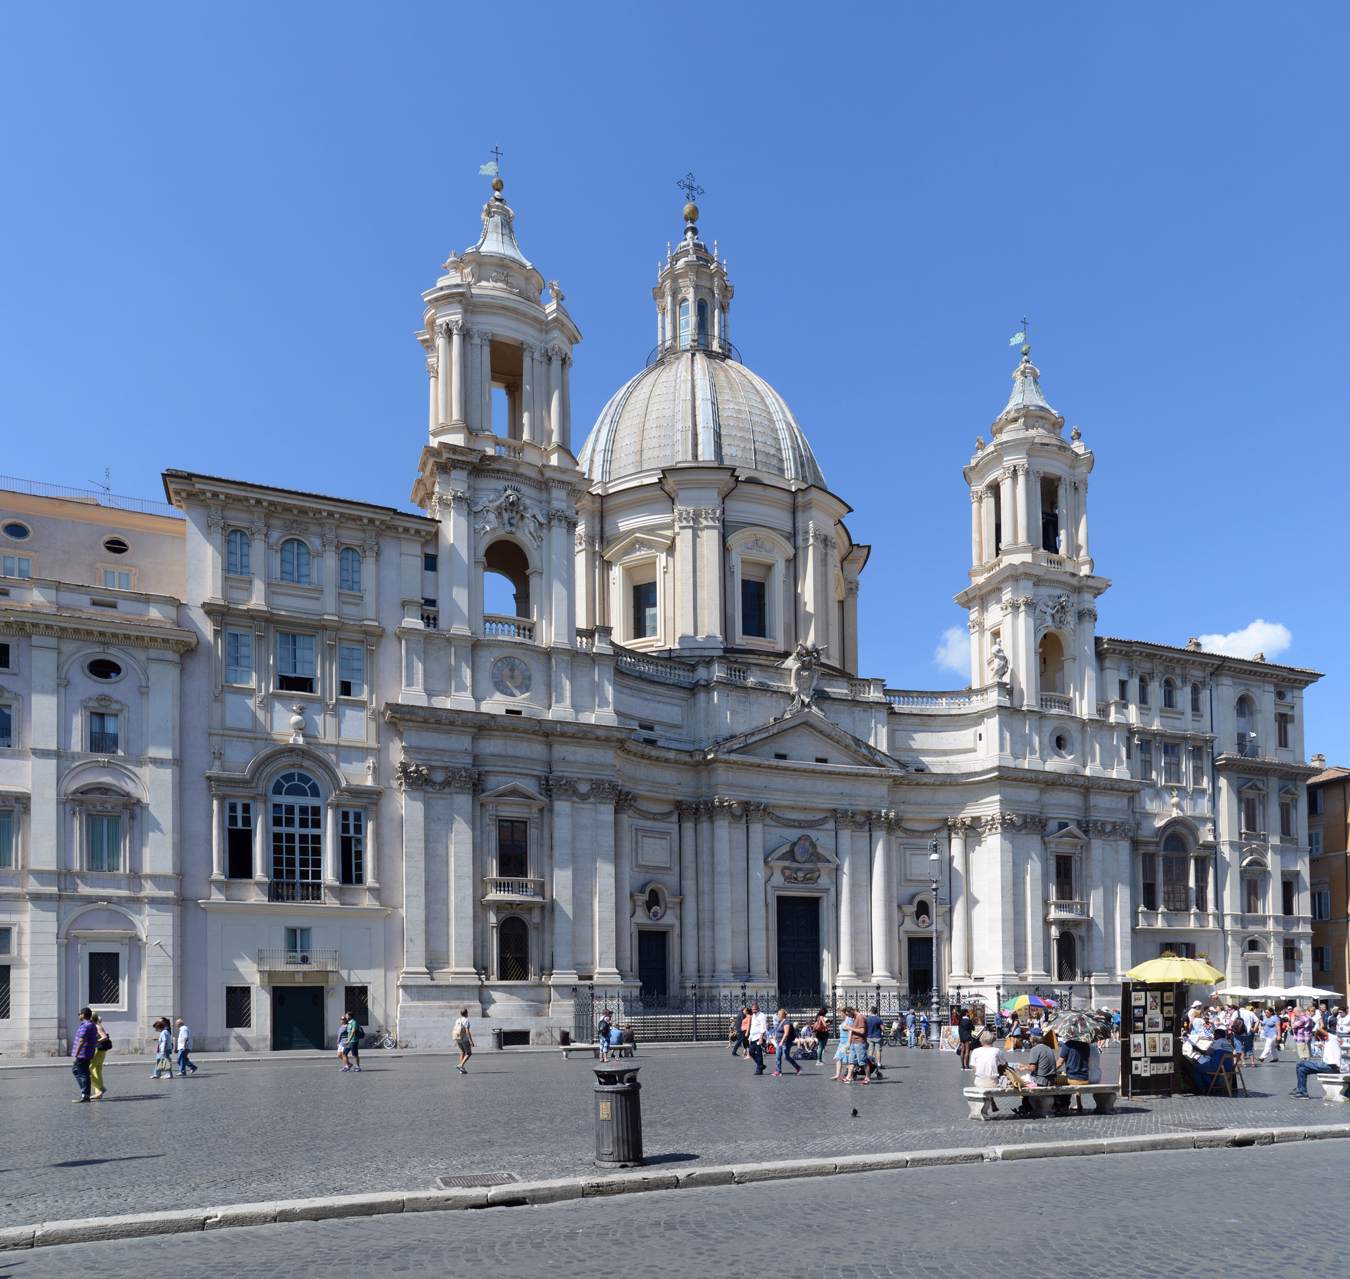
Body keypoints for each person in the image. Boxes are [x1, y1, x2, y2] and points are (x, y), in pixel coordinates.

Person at [1291, 1029, 1343, 1098]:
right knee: (1301, 1069)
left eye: (1321, 1037)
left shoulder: (1332, 1038)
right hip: (1327, 1066)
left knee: (1301, 1063)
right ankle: (1302, 1092)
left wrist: (1317, 1036)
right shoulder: (1328, 1042)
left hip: (1331, 1067)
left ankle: (1299, 1089)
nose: (1322, 1039)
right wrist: (1322, 1045)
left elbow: (1319, 1030)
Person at [970, 1029, 1010, 1114]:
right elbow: (1005, 1064)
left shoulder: (975, 1051)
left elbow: (974, 1069)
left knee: (984, 1075)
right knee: (993, 1074)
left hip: (979, 1082)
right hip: (993, 1082)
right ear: (992, 1040)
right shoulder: (997, 1051)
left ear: (981, 1040)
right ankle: (992, 1102)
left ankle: (990, 1104)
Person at [71, 1006, 98, 1103]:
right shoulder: (92, 1025)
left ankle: (85, 1094)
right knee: (77, 1071)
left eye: (79, 1014)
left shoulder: (85, 1026)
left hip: (82, 1054)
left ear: (83, 1015)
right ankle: (85, 1092)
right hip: (87, 1053)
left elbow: (81, 1041)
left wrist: (76, 1054)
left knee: (82, 1073)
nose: (79, 1016)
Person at [89, 1012, 112, 1101]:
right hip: (100, 1051)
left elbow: (104, 1037)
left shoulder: (97, 1026)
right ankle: (98, 1093)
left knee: (89, 1069)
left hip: (98, 1051)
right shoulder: (96, 1025)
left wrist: (95, 1041)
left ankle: (100, 1088)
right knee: (97, 1071)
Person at [772, 1009, 801, 1077]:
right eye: (777, 1014)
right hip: (779, 1042)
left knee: (786, 1057)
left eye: (779, 1014)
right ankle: (778, 1071)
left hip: (785, 1042)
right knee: (778, 1056)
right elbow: (777, 1031)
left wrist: (782, 1041)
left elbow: (786, 1033)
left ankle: (798, 1068)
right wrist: (775, 1036)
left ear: (782, 1015)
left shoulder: (786, 1022)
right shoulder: (780, 1022)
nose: (778, 1015)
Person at [845, 1007, 870, 1084]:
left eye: (848, 1014)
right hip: (853, 1042)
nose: (848, 1016)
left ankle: (867, 1078)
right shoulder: (854, 1018)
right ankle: (849, 1077)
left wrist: (850, 1028)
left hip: (860, 1042)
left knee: (862, 1061)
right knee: (851, 1061)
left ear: (852, 1011)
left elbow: (862, 1031)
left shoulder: (860, 1017)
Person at [747, 1004, 769, 1074]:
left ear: (758, 1009)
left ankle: (759, 1070)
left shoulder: (762, 1016)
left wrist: (761, 1037)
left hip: (759, 1037)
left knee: (759, 1053)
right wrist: (750, 1037)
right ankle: (761, 1065)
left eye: (755, 1009)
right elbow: (752, 1026)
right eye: (752, 1010)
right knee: (751, 1052)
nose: (753, 1011)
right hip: (753, 1037)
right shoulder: (753, 1016)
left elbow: (763, 1027)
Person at [452, 1007, 474, 1074]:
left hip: (457, 1038)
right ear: (467, 1013)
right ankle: (461, 1065)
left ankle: (461, 1069)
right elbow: (467, 1031)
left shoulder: (457, 1020)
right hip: (464, 1039)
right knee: (469, 1053)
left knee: (462, 1052)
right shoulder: (466, 1020)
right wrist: (471, 1041)